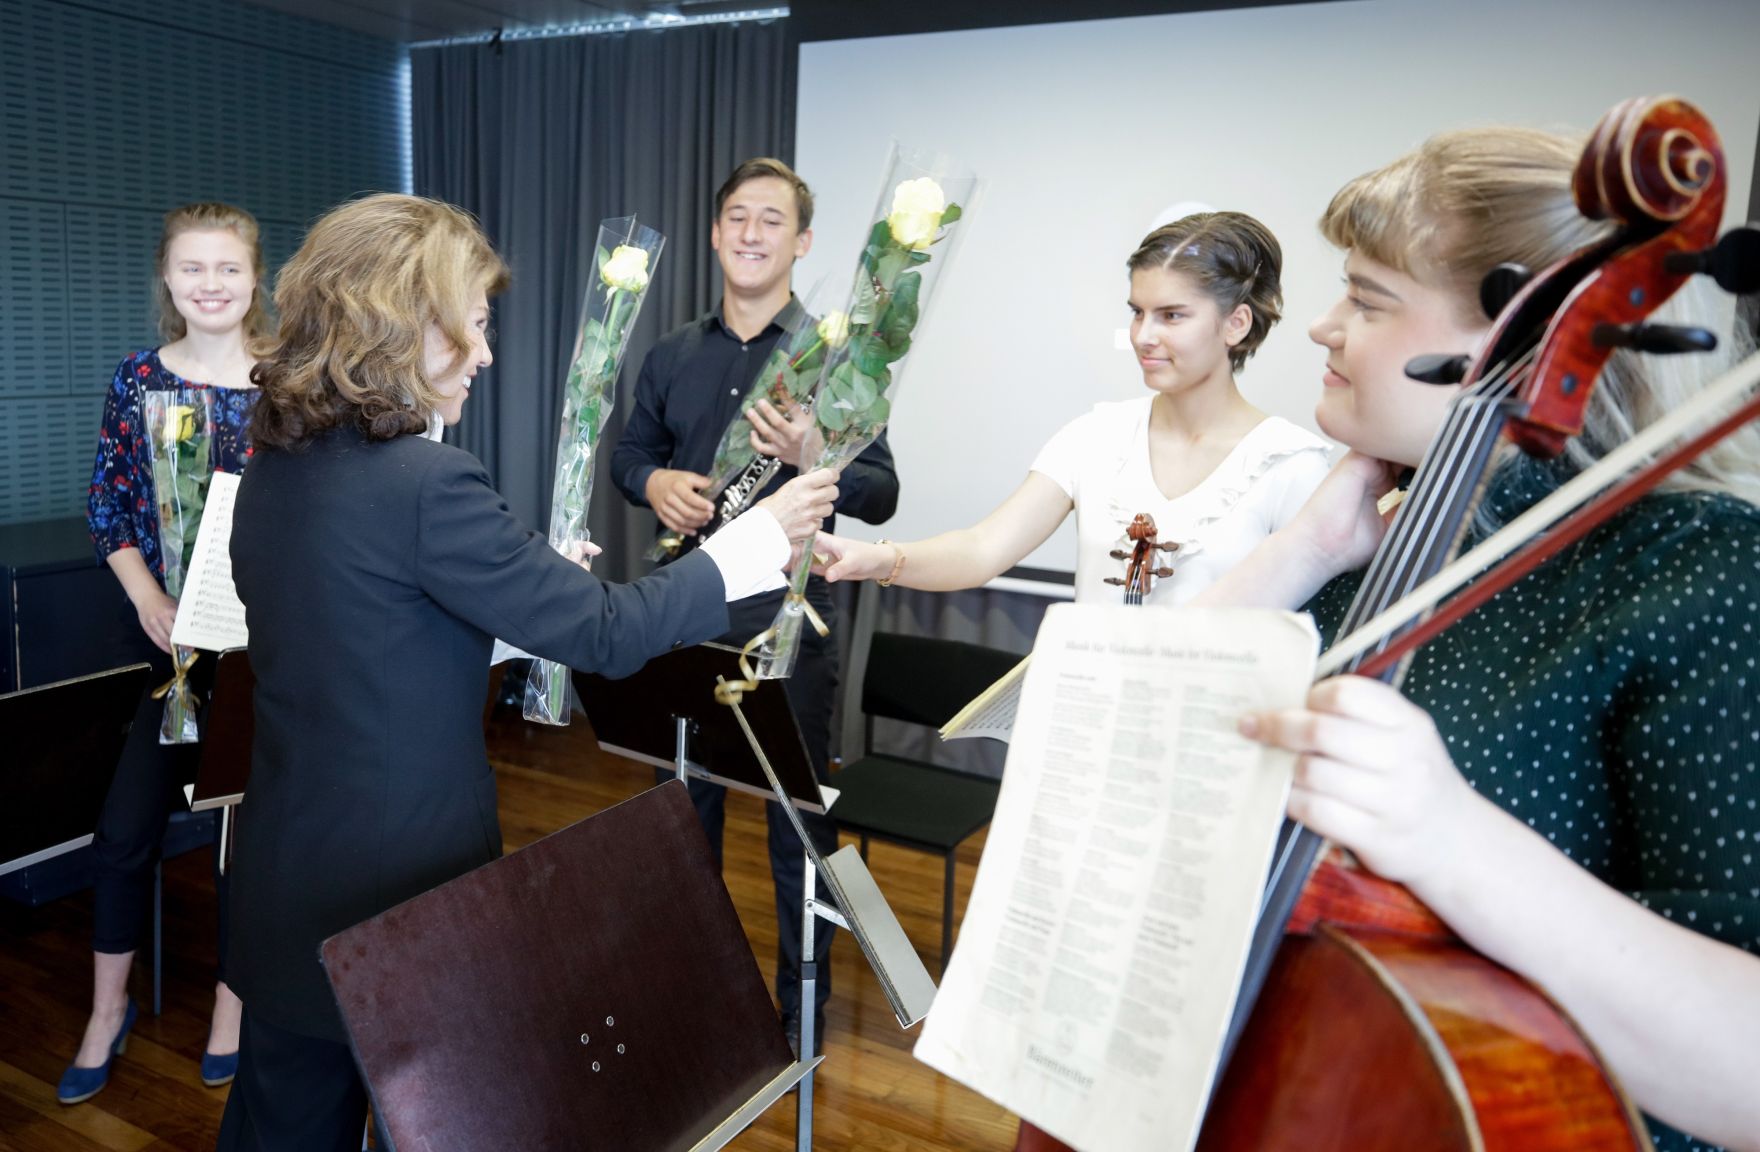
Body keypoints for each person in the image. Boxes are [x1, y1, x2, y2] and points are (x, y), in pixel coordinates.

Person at [219, 192, 837, 1150]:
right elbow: (607, 631)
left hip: (284, 877)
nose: (488, 352)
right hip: (397, 895)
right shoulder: (426, 483)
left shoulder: (272, 465)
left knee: (281, 1126)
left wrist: (504, 622)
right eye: (476, 324)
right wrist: (746, 548)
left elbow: (358, 632)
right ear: (406, 322)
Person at [1214, 127, 1760, 1151]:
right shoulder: (1393, 551)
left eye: (1367, 298)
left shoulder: (1705, 573)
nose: (1323, 328)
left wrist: (1447, 837)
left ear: (1521, 336)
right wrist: (1303, 549)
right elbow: (1128, 761)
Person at [609, 157, 900, 1052]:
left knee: (799, 826)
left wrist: (822, 450)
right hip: (685, 615)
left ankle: (801, 1004)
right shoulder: (669, 354)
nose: (750, 233)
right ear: (714, 232)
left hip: (787, 627)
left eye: (771, 220)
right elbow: (626, 457)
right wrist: (655, 480)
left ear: (801, 242)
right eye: (737, 216)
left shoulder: (837, 359)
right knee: (680, 813)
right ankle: (694, 987)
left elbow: (882, 494)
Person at [813, 212, 1330, 605]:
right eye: (1138, 313)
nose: (1143, 336)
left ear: (1236, 324)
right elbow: (983, 548)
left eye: (1172, 316)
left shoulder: (1289, 464)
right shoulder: (1097, 436)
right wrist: (879, 558)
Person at [70, 201, 271, 1104]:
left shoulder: (286, 379)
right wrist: (151, 599)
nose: (211, 285)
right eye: (193, 268)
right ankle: (106, 1013)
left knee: (245, 844)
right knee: (121, 837)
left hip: (265, 652)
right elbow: (109, 511)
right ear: (168, 277)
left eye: (228, 268)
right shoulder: (136, 378)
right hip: (166, 651)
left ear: (255, 276)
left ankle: (233, 1010)